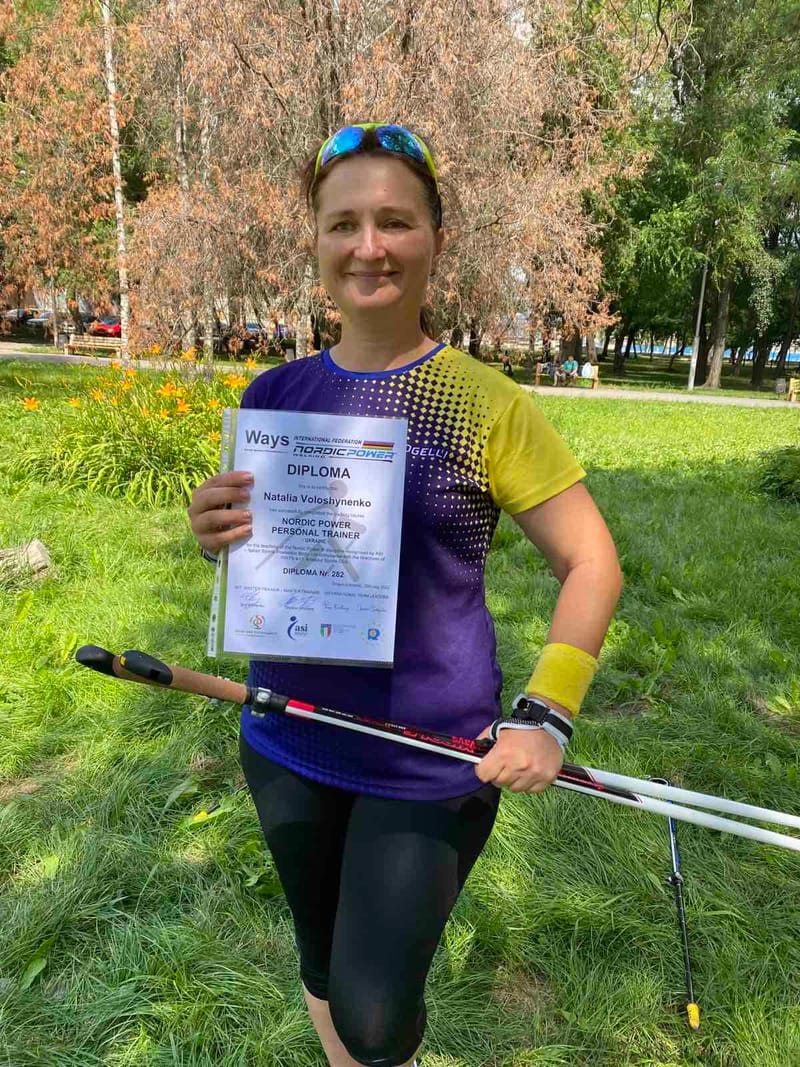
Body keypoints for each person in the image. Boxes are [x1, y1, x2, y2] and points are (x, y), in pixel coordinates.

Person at [188, 123, 622, 1067]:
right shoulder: (274, 394)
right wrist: (216, 532)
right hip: (286, 734)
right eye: (343, 223)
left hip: (428, 756)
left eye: (395, 221)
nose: (369, 245)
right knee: (321, 956)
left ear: (436, 239)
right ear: (316, 242)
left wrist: (547, 713)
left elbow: (593, 562)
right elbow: (269, 559)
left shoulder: (483, 400)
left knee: (376, 1012)